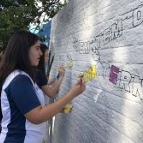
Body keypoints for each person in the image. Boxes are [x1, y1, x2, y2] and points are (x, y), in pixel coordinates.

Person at [0, 30, 85, 143]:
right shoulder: (19, 79)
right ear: (24, 51)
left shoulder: (24, 76)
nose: (40, 53)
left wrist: (57, 108)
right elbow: (37, 116)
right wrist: (72, 94)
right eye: (37, 48)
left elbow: (30, 108)